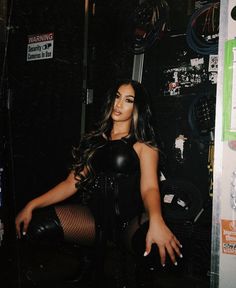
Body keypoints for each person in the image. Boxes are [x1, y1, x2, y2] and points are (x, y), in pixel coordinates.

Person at [15, 79, 183, 285]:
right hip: (95, 220)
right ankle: (84, 263)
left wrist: (156, 220)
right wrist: (32, 204)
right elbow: (71, 183)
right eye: (117, 97)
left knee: (157, 249)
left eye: (128, 100)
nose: (119, 104)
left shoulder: (143, 145)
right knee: (37, 226)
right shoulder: (96, 140)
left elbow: (149, 188)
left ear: (137, 107)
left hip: (130, 222)